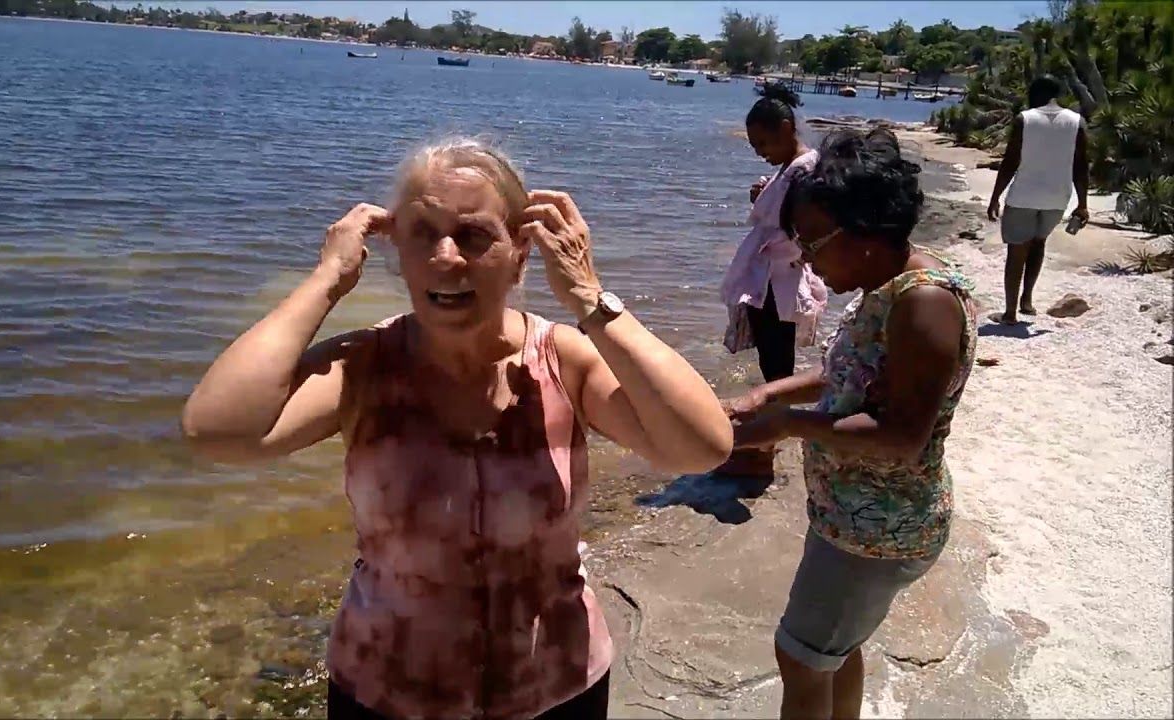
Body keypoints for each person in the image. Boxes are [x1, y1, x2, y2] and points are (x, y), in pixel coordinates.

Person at [180, 138, 733, 720]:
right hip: (387, 693)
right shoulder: (366, 367)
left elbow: (701, 447)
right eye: (422, 234)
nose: (446, 258)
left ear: (521, 253)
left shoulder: (564, 361)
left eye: (474, 236)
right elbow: (217, 431)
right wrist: (326, 280)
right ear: (398, 252)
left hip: (555, 692)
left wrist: (591, 301)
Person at [725, 128, 978, 720]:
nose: (805, 258)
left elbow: (901, 437)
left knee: (802, 657)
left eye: (813, 241)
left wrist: (789, 426)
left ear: (864, 232)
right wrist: (769, 392)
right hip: (855, 516)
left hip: (877, 528)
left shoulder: (924, 303)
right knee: (834, 649)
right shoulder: (890, 285)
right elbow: (849, 374)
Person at [717, 82, 828, 477]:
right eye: (754, 146)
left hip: (778, 285)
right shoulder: (793, 169)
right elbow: (783, 212)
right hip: (774, 283)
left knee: (777, 368)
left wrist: (766, 202)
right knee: (775, 365)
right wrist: (765, 193)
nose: (760, 152)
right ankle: (768, 441)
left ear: (786, 129)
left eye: (763, 143)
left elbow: (793, 226)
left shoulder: (803, 169)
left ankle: (765, 448)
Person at [986, 75, 1090, 325]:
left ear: (1035, 93)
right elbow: (1081, 166)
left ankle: (1010, 313)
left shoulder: (1025, 119)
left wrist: (995, 197)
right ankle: (1027, 301)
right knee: (1039, 243)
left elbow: (1010, 161)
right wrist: (1083, 203)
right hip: (1057, 198)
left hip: (1024, 195)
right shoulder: (1077, 122)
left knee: (1017, 251)